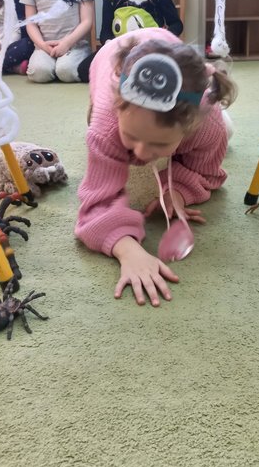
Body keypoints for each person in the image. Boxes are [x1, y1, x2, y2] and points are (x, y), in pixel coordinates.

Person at [75, 26, 237, 307]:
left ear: (191, 126)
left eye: (159, 144)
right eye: (131, 136)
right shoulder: (107, 119)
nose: (139, 154)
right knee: (101, 136)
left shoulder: (208, 123)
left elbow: (205, 169)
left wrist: (179, 191)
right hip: (110, 54)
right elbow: (97, 202)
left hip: (169, 47)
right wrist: (127, 250)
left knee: (227, 130)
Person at [77, 0, 183, 83]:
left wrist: (160, 39)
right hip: (122, 49)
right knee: (84, 70)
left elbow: (176, 24)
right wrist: (112, 45)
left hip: (151, 48)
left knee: (177, 70)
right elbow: (105, 33)